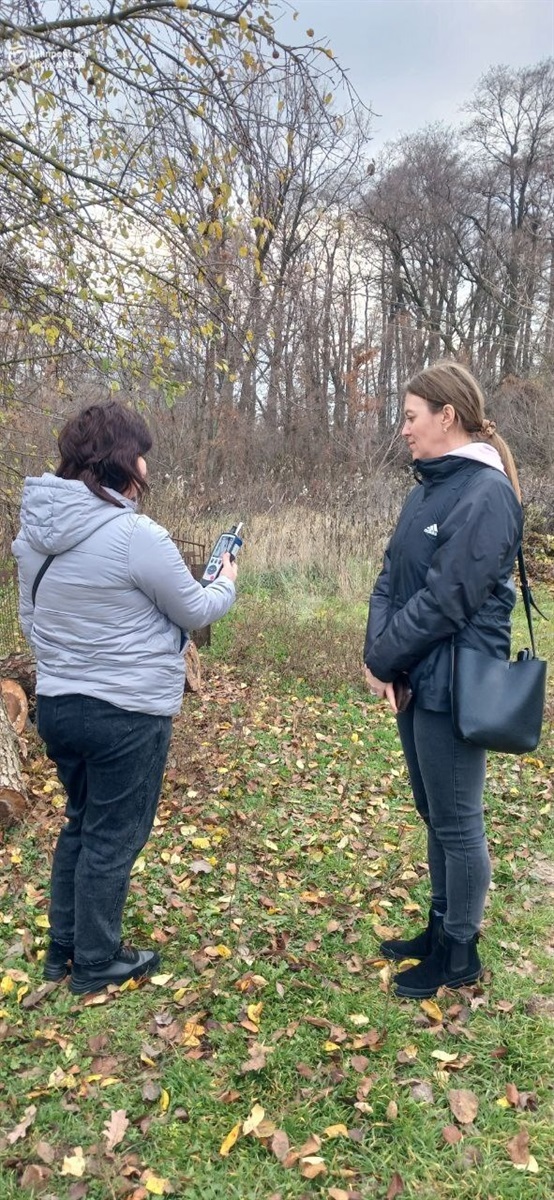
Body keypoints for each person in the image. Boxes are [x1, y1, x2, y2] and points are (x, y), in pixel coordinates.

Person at [12, 401, 237, 997]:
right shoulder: (136, 535)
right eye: (142, 454)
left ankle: (63, 951)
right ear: (122, 460)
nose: (147, 466)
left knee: (81, 825)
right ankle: (96, 961)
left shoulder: (32, 536)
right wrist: (227, 581)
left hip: (59, 707)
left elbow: (31, 624)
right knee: (114, 837)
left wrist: (77, 659)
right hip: (128, 714)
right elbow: (195, 609)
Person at [363, 362, 523, 999]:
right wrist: (383, 655)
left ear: (445, 416)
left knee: (457, 820)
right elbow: (390, 576)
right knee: (433, 812)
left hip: (456, 682)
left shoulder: (486, 495)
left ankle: (460, 952)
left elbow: (445, 601)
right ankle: (439, 927)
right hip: (416, 675)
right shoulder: (428, 487)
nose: (403, 430)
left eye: (410, 416)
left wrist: (386, 659)